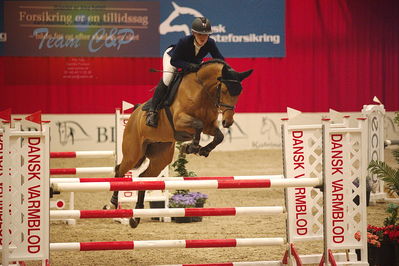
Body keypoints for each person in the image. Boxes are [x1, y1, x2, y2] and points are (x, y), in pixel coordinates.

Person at [146, 17, 225, 128]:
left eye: (206, 35)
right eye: (200, 34)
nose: (203, 38)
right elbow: (174, 61)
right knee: (168, 78)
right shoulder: (184, 42)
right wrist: (189, 66)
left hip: (193, 62)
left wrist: (226, 70)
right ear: (193, 33)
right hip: (173, 58)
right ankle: (152, 111)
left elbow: (220, 59)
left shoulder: (210, 43)